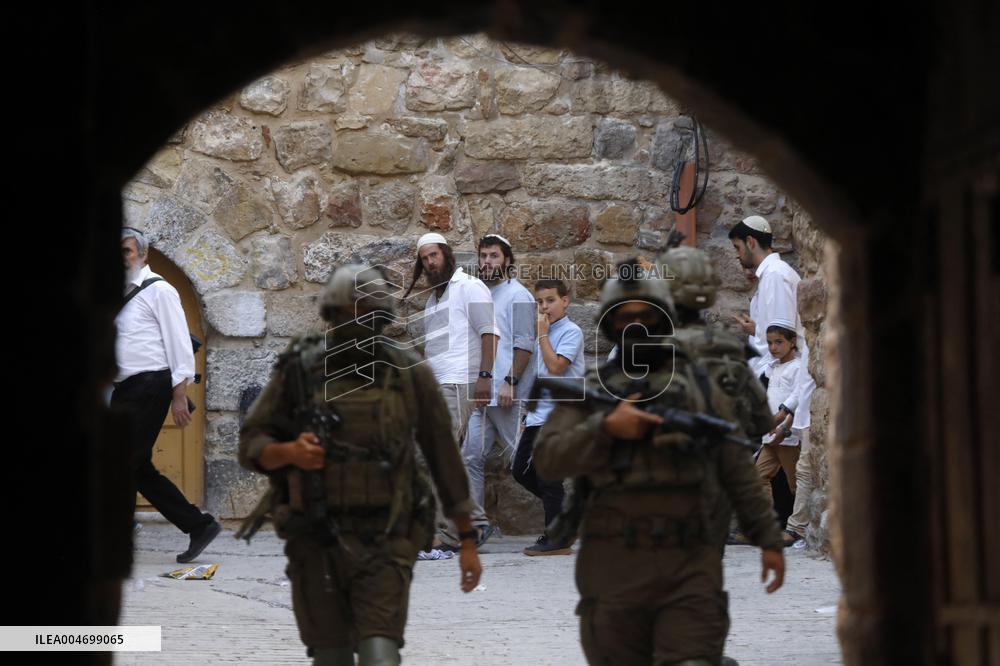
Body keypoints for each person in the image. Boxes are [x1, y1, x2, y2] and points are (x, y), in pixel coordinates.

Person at [532, 258, 785, 665]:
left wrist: (768, 537)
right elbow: (547, 460)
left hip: (688, 563)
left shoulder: (698, 386)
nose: (635, 328)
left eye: (646, 317)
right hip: (613, 569)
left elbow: (737, 465)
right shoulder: (595, 389)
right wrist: (606, 429)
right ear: (610, 324)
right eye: (625, 318)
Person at [238, 264, 482, 666]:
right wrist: (289, 453)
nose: (356, 323)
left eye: (366, 314)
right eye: (348, 314)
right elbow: (251, 442)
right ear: (332, 315)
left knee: (379, 654)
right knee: (331, 657)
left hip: (387, 538)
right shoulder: (300, 369)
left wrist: (467, 539)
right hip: (316, 538)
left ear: (381, 318)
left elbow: (444, 455)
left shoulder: (409, 373)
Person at [114, 227, 220, 563]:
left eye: (127, 251)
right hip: (126, 389)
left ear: (143, 255)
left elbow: (178, 346)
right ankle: (198, 525)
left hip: (150, 386)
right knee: (137, 466)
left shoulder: (159, 290)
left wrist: (179, 395)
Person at [405, 232, 499, 547]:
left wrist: (485, 377)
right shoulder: (434, 299)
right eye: (424, 258)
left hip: (461, 382)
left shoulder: (469, 287)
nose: (430, 262)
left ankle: (451, 532)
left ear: (447, 254)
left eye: (434, 255)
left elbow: (490, 334)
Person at [729, 215, 816, 546]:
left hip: (778, 376)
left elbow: (781, 335)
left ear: (751, 242)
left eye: (738, 247)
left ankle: (786, 525)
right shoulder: (770, 277)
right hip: (769, 372)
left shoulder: (776, 276)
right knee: (770, 459)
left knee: (784, 462)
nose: (737, 255)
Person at [462, 234, 535, 524]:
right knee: (470, 457)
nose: (487, 261)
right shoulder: (480, 294)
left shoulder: (519, 295)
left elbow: (524, 344)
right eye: (483, 256)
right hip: (483, 396)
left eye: (493, 256)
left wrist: (510, 382)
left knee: (524, 459)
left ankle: (564, 512)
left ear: (507, 259)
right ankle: (476, 525)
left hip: (509, 396)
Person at [512, 279, 584, 556]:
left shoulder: (571, 332)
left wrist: (542, 336)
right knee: (520, 471)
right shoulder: (545, 332)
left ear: (565, 301)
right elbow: (539, 376)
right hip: (538, 415)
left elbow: (555, 368)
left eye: (550, 300)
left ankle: (557, 538)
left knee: (548, 476)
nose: (544, 307)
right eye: (540, 302)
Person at [755, 321, 803, 540]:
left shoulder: (798, 367)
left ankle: (801, 526)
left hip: (787, 437)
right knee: (758, 477)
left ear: (792, 342)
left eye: (778, 342)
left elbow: (798, 401)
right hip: (770, 436)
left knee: (795, 484)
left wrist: (784, 428)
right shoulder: (773, 367)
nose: (773, 348)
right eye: (770, 343)